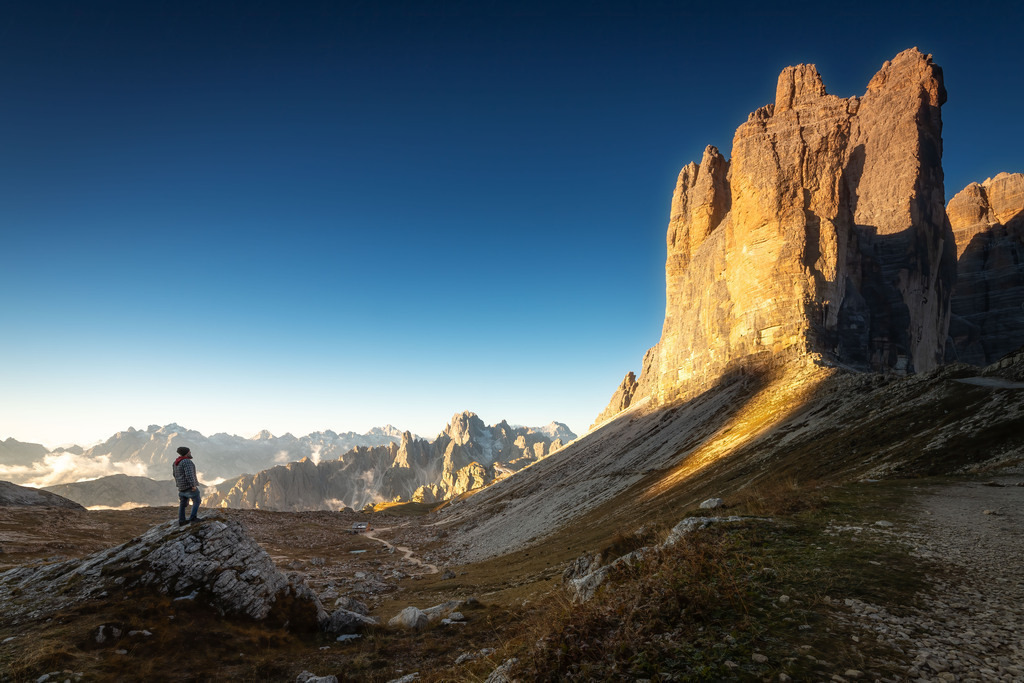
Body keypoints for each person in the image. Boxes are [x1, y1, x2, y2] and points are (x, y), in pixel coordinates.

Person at [172, 446, 203, 526]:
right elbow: (189, 475)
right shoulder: (186, 461)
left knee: (182, 504)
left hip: (181, 487)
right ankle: (193, 518)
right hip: (188, 487)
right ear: (187, 453)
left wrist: (178, 485)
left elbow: (174, 475)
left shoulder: (176, 462)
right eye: (189, 451)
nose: (190, 453)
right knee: (197, 500)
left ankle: (181, 520)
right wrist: (193, 485)